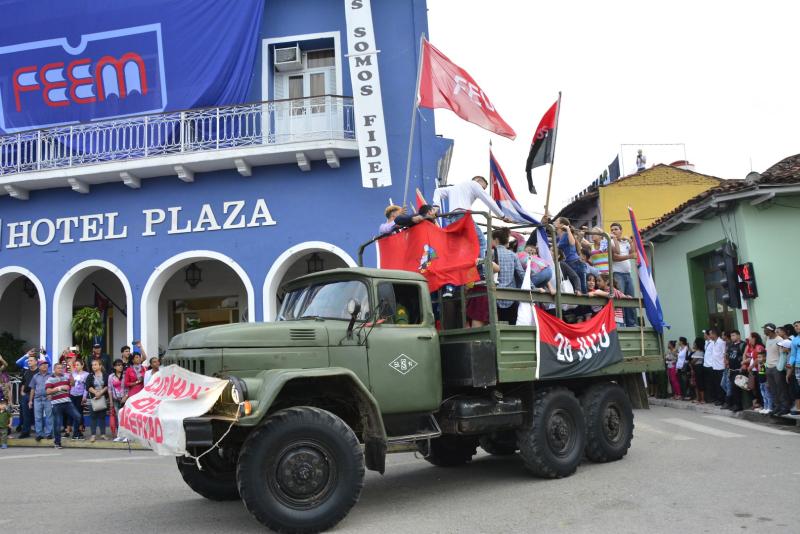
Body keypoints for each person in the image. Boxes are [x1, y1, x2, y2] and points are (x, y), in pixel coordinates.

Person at [45, 363, 83, 449]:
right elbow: (48, 391)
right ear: (54, 369)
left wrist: (71, 375)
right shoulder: (50, 379)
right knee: (57, 424)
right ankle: (57, 443)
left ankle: (75, 434)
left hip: (67, 402)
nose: (60, 369)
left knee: (78, 417)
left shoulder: (66, 377)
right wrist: (60, 388)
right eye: (58, 368)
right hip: (56, 404)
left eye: (61, 368)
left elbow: (72, 384)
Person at [492, 228, 525, 325]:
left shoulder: (490, 253)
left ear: (496, 240)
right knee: (513, 326)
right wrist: (533, 287)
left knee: (496, 326)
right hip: (511, 296)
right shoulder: (513, 255)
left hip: (495, 296)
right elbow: (521, 274)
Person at [609, 222, 638, 327]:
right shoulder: (611, 242)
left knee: (630, 298)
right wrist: (629, 256)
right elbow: (614, 257)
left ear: (621, 231)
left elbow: (633, 253)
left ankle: (632, 323)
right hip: (617, 274)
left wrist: (630, 242)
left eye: (616, 229)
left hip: (627, 274)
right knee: (619, 299)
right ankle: (620, 323)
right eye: (612, 230)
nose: (613, 231)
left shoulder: (625, 242)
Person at [763, 323, 790, 416]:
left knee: (781, 388)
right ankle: (777, 406)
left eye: (765, 329)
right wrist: (766, 365)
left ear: (770, 330)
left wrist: (779, 368)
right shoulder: (767, 339)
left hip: (776, 368)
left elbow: (783, 355)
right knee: (773, 389)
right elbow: (768, 353)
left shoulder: (779, 340)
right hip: (769, 367)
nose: (764, 331)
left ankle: (785, 407)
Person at [555, 217, 587, 293]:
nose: (554, 222)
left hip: (575, 262)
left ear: (561, 224)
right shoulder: (558, 238)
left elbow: (572, 243)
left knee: (581, 287)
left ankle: (585, 304)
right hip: (567, 263)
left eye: (556, 221)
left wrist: (568, 229)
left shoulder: (566, 234)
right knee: (571, 287)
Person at [29, 359, 53, 441]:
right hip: (37, 399)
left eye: (46, 364)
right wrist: (30, 401)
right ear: (39, 366)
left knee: (49, 416)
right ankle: (39, 434)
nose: (45, 366)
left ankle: (49, 433)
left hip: (48, 398)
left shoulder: (51, 375)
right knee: (38, 417)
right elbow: (32, 388)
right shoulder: (35, 376)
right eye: (43, 364)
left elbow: (54, 386)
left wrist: (52, 394)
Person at [85, 360, 109, 442]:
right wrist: (96, 393)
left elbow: (107, 386)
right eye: (92, 365)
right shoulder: (90, 376)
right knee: (93, 417)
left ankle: (103, 434)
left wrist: (101, 393)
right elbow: (88, 386)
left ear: (100, 366)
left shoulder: (105, 375)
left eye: (95, 364)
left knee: (102, 417)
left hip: (102, 398)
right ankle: (93, 435)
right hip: (92, 399)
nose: (94, 366)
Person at [742, 332, 765, 409]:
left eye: (750, 337)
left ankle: (762, 404)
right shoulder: (754, 347)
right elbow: (751, 358)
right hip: (754, 370)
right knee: (755, 388)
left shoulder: (759, 347)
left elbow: (758, 359)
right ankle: (758, 403)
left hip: (759, 370)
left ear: (754, 338)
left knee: (760, 387)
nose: (749, 339)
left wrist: (751, 366)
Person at [17, 355, 38, 438]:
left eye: (31, 360)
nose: (29, 362)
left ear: (36, 362)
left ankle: (39, 432)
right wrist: (22, 392)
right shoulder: (26, 371)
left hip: (36, 395)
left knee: (37, 414)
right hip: (26, 395)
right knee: (25, 414)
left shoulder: (38, 372)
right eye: (28, 361)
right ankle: (25, 432)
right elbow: (23, 383)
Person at [724, 330, 745, 412]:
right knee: (732, 388)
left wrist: (742, 367)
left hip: (738, 370)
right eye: (731, 336)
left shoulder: (743, 345)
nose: (732, 337)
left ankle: (739, 405)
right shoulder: (730, 345)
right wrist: (726, 361)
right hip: (731, 370)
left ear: (738, 336)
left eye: (734, 335)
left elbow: (745, 356)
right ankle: (734, 404)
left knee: (737, 388)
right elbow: (727, 355)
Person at [68, 358, 88, 440]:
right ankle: (76, 433)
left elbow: (86, 387)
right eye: (75, 365)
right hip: (72, 395)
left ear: (82, 365)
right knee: (74, 414)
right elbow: (71, 384)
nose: (76, 366)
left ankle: (77, 432)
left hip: (80, 396)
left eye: (78, 365)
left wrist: (84, 396)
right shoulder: (73, 373)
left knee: (79, 414)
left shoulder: (86, 374)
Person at [108, 359, 128, 442]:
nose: (120, 366)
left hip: (125, 399)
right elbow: (109, 389)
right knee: (118, 417)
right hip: (116, 400)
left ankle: (127, 435)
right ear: (114, 367)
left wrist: (126, 397)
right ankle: (120, 435)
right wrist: (111, 401)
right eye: (118, 365)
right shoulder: (111, 376)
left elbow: (128, 387)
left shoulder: (126, 375)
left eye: (121, 365)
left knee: (125, 417)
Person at [707, 329, 726, 405]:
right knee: (716, 384)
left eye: (711, 334)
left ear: (714, 334)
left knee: (721, 385)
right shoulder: (713, 342)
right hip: (714, 366)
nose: (710, 336)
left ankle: (723, 400)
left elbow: (724, 353)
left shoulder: (721, 342)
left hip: (721, 367)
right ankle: (719, 399)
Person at [788, 321, 800, 415]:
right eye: (794, 326)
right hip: (797, 367)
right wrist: (790, 364)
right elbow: (792, 355)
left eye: (797, 326)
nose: (796, 328)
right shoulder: (795, 340)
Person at [690, 337, 706, 404]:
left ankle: (702, 399)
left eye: (695, 342)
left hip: (699, 368)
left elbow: (693, 362)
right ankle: (698, 398)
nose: (694, 344)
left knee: (700, 383)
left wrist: (690, 363)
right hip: (696, 368)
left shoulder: (700, 352)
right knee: (696, 384)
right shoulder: (696, 352)